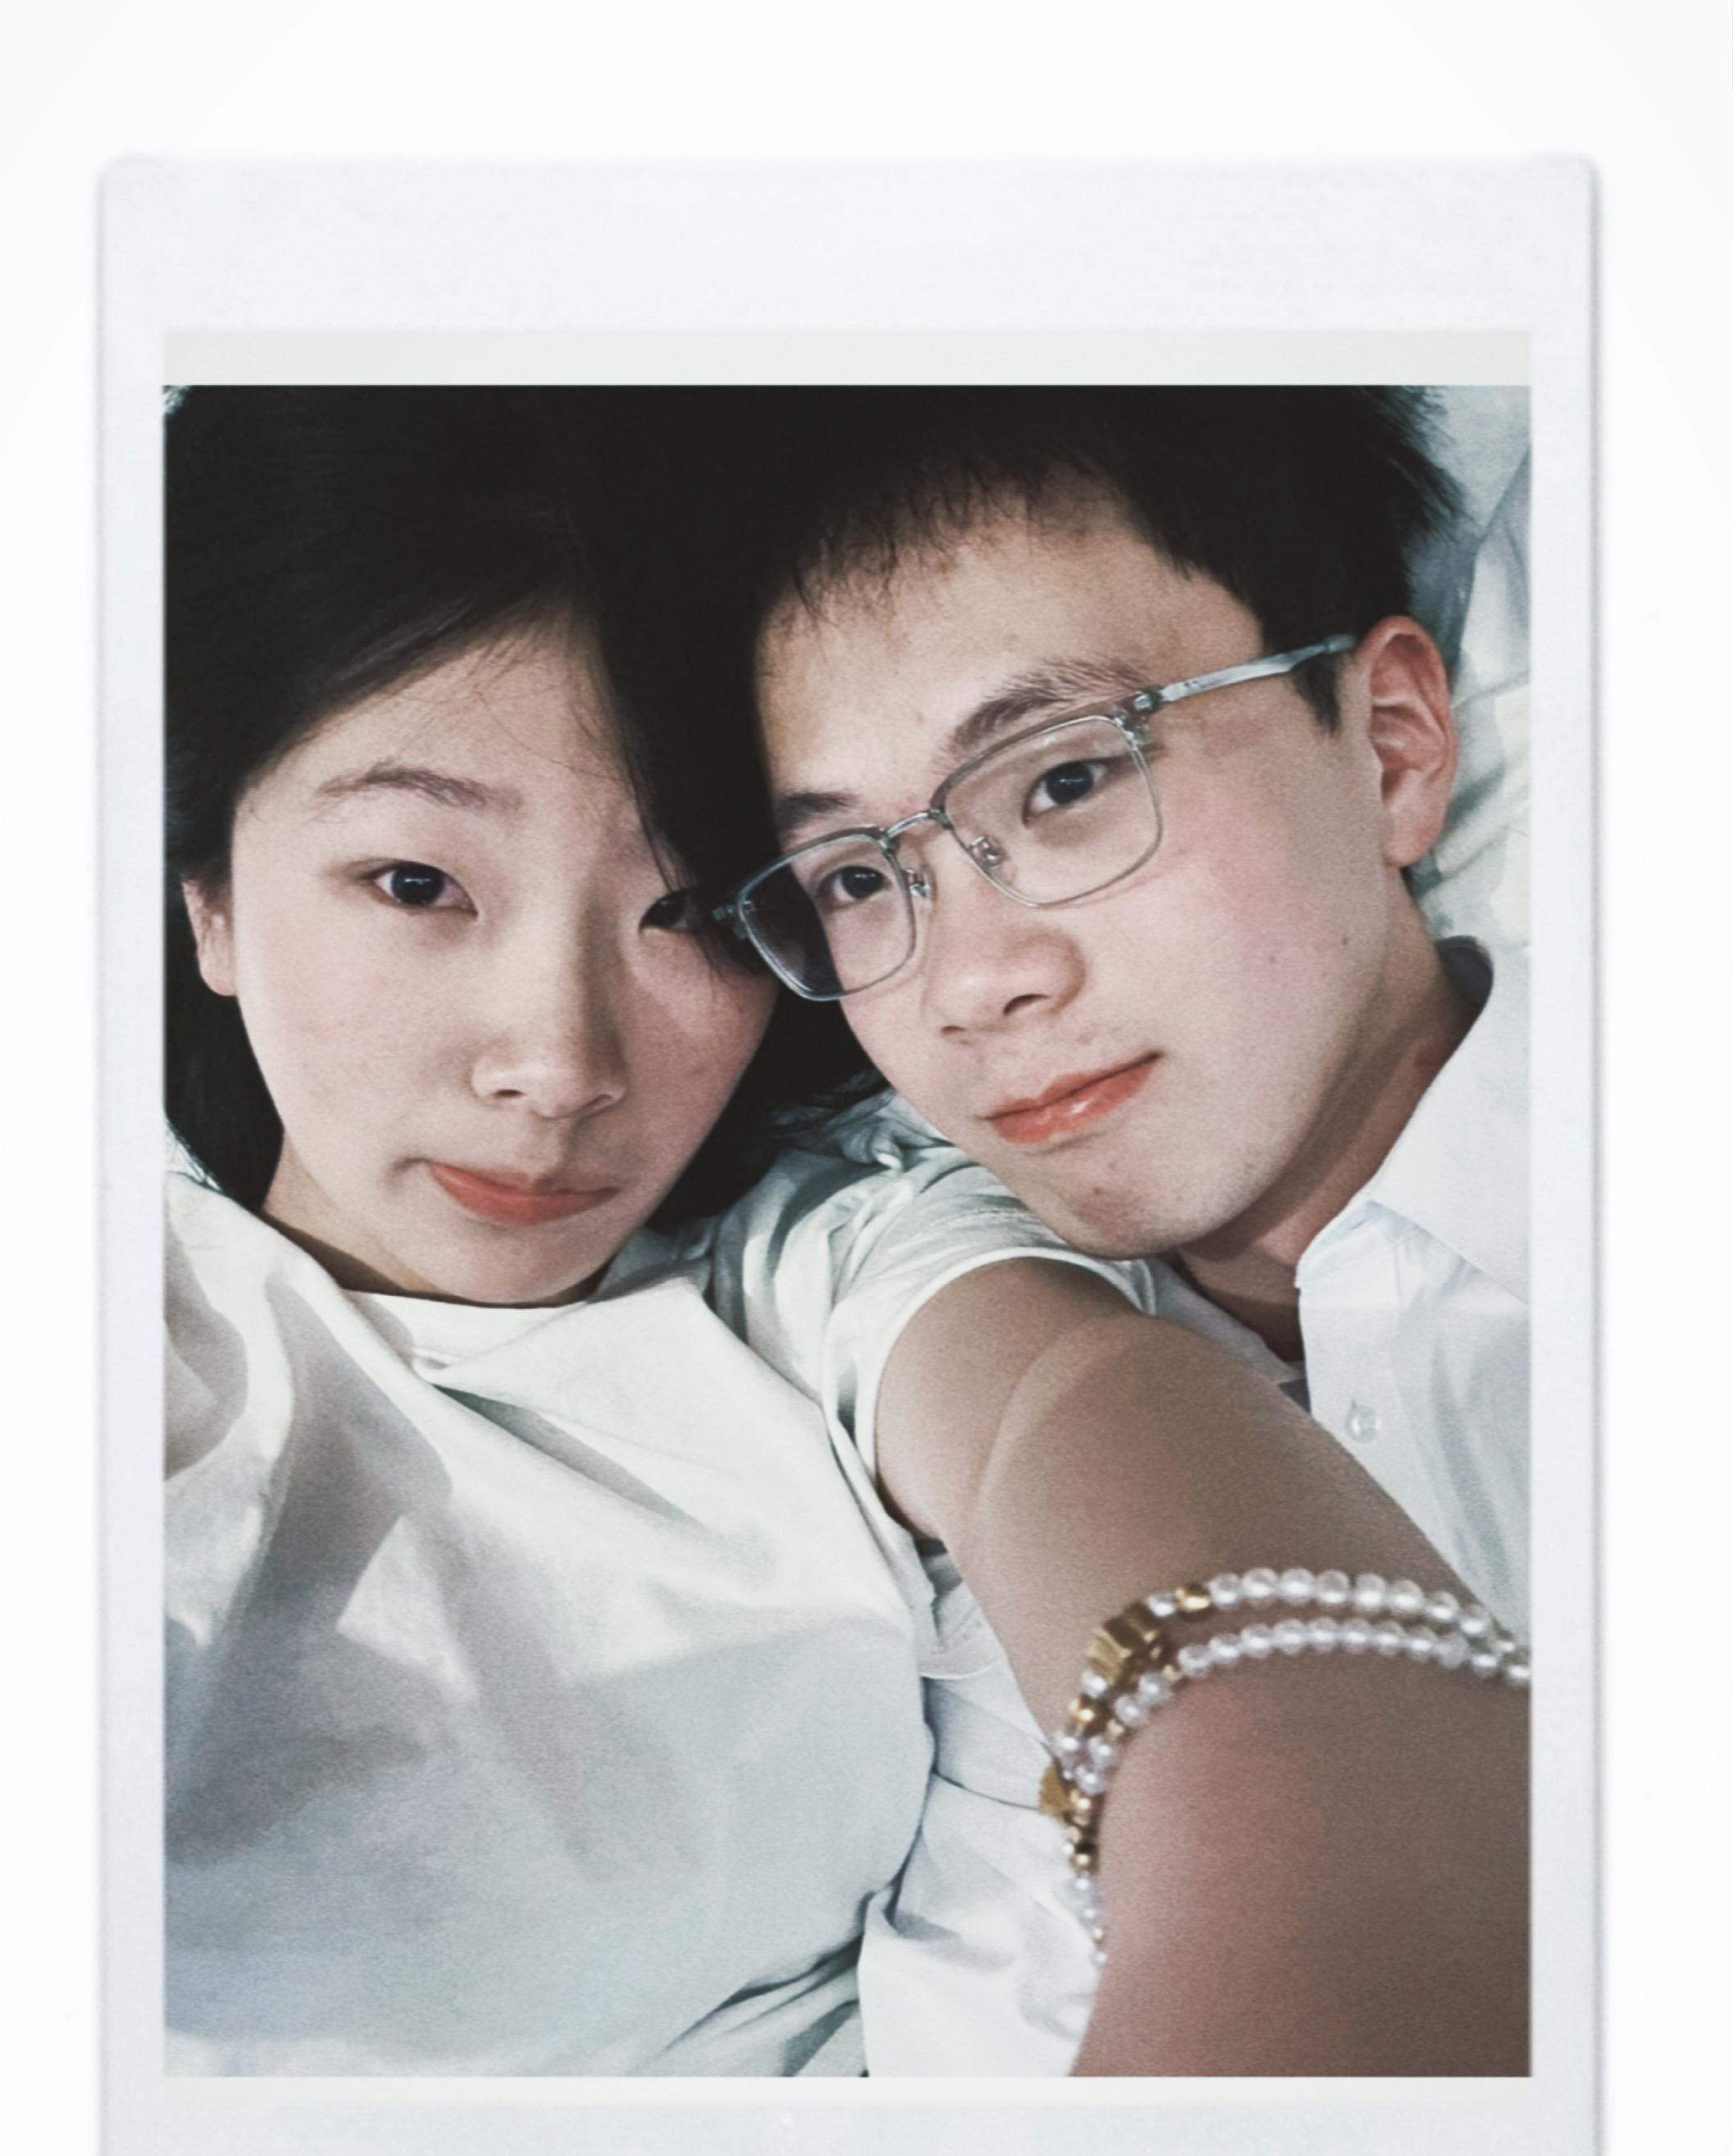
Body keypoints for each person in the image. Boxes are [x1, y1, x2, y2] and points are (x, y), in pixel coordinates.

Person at [164, 387, 1527, 2082]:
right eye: (415, 884)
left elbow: (1076, 1415)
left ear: (1394, 742)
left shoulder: (840, 1246)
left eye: (1071, 780)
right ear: (206, 895)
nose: (558, 1065)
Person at [654, 387, 1528, 1640]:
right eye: (856, 879)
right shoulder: (840, 1400)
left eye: (1067, 781)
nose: (969, 983)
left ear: (1390, 747)